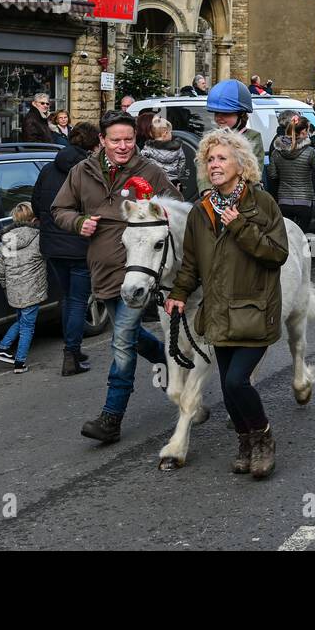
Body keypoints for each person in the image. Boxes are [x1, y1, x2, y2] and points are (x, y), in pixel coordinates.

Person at [165, 128, 289, 479]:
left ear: (241, 163)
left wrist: (240, 227)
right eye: (210, 159)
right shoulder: (200, 211)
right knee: (226, 387)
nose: (214, 164)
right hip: (218, 312)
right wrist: (178, 294)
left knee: (237, 382)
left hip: (254, 310)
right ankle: (244, 442)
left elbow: (277, 253)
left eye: (221, 157)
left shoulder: (261, 203)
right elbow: (191, 263)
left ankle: (263, 438)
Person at [52, 109, 180, 444]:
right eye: (116, 140)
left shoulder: (149, 170)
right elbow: (59, 209)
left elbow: (177, 208)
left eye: (129, 139)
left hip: (139, 272)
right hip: (103, 272)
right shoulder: (83, 171)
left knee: (121, 340)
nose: (123, 146)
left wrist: (155, 215)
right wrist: (79, 223)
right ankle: (170, 362)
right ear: (102, 141)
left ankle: (111, 418)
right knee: (134, 336)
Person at [33, 121, 100, 376]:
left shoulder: (48, 169)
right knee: (77, 301)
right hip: (78, 244)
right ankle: (71, 353)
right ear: (93, 145)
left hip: (52, 245)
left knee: (67, 299)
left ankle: (73, 349)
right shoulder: (89, 171)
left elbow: (37, 202)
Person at [0, 202, 48, 374]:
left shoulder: (8, 239)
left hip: (14, 290)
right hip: (32, 289)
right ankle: (20, 362)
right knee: (27, 326)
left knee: (21, 321)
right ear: (34, 218)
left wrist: (6, 286)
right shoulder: (39, 238)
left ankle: (2, 348)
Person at [266, 113, 315, 235]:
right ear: (304, 131)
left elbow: (273, 175)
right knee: (301, 237)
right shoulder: (310, 152)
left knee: (287, 237)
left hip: (284, 200)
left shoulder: (276, 152)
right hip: (304, 201)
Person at [205, 80, 264, 172]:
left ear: (241, 115)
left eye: (226, 114)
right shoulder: (211, 139)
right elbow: (203, 172)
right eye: (216, 113)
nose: (219, 118)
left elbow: (254, 171)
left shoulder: (253, 137)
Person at [140, 115, 198, 197]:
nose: (171, 134)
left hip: (155, 181)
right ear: (165, 133)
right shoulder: (177, 148)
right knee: (174, 203)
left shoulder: (148, 148)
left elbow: (142, 162)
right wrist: (178, 175)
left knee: (156, 204)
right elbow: (182, 163)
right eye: (170, 132)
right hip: (173, 182)